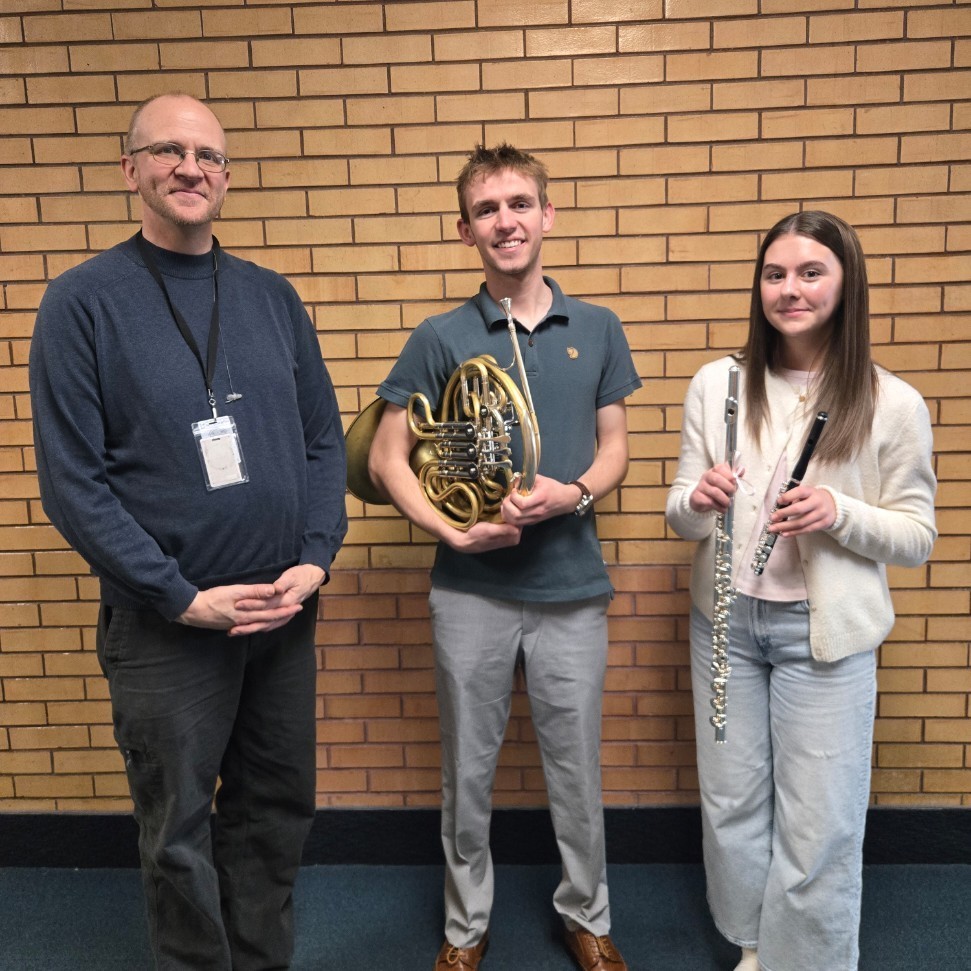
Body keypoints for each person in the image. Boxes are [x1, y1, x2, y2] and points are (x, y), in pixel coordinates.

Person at [29, 94, 347, 970]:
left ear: (227, 176)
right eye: (168, 150)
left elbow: (325, 442)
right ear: (130, 169)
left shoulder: (272, 298)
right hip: (168, 623)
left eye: (208, 155)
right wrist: (180, 596)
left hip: (282, 614)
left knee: (275, 811)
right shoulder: (81, 304)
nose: (190, 168)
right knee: (176, 831)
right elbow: (74, 485)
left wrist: (314, 561)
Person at [367, 144, 641, 971]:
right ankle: (463, 928)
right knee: (467, 772)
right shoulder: (438, 335)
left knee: (576, 772)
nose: (505, 221)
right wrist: (448, 529)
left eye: (519, 204)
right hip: (471, 590)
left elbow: (615, 447)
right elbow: (386, 457)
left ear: (547, 216)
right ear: (465, 231)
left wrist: (575, 495)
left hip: (570, 587)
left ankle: (586, 915)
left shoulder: (595, 326)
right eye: (486, 210)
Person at [665, 211, 937, 971]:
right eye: (774, 273)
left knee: (818, 822)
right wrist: (695, 500)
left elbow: (916, 535)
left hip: (824, 634)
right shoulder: (716, 384)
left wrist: (838, 512)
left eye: (810, 271)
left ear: (845, 281)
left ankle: (806, 961)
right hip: (722, 627)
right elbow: (678, 511)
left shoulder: (891, 402)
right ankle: (755, 947)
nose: (789, 289)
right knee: (730, 806)